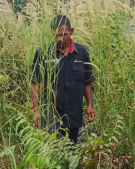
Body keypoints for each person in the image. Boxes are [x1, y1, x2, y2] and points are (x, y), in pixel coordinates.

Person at [30, 15, 95, 144]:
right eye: (57, 35)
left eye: (64, 35)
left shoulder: (81, 52)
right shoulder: (43, 53)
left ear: (71, 32)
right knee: (53, 149)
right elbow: (34, 83)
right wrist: (36, 111)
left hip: (73, 114)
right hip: (51, 115)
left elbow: (86, 82)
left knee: (71, 150)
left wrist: (89, 105)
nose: (60, 39)